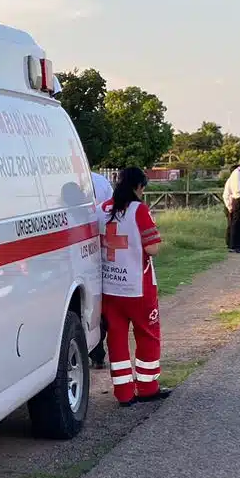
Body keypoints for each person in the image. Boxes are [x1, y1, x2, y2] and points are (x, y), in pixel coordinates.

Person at [101, 166, 169, 406]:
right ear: (139, 186)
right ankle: (148, 386)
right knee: (148, 335)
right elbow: (153, 248)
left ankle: (124, 393)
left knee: (116, 339)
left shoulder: (103, 209)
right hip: (138, 288)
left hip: (110, 289)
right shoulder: (138, 210)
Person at [88, 167, 114, 369]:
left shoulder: (63, 184)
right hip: (98, 247)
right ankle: (97, 353)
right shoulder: (100, 181)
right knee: (98, 301)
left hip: (78, 248)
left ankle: (95, 352)